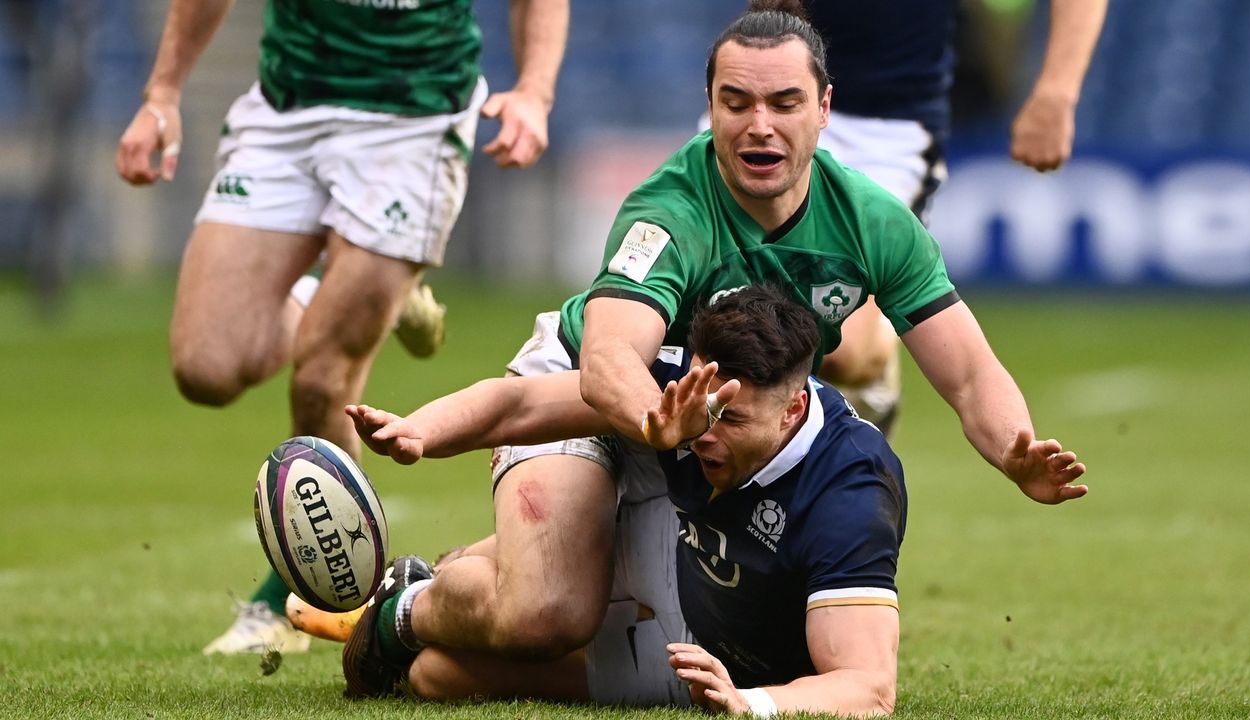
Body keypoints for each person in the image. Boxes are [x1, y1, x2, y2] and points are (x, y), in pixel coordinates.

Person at [297, 0, 1085, 680]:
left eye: (784, 102)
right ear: (709, 105)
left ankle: (463, 588)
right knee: (546, 615)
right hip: (589, 398)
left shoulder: (875, 222)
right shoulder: (669, 212)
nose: (759, 125)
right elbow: (607, 359)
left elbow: (971, 373)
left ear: (824, 107)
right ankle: (409, 606)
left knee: (746, 650)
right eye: (736, 102)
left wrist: (1014, 449)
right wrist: (654, 420)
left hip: (707, 428)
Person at [114, 0, 568, 655]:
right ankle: (361, 288)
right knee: (204, 368)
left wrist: (533, 91)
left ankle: (298, 606)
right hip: (289, 103)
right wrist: (162, 94)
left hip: (413, 117)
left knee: (325, 379)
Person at [294, 285, 904, 716]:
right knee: (538, 612)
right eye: (701, 408)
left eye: (733, 419)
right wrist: (421, 431)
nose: (704, 431)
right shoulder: (681, 393)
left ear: (794, 408)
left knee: (435, 678)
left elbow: (868, 688)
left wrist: (752, 703)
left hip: (710, 646)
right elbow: (525, 405)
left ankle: (432, 582)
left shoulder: (849, 488)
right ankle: (406, 608)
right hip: (668, 525)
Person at [804, 0, 1110, 433]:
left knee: (843, 353)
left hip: (882, 131)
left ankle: (875, 371)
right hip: (762, 104)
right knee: (709, 322)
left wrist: (1056, 92)